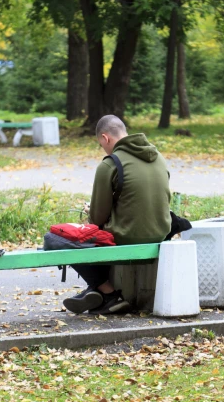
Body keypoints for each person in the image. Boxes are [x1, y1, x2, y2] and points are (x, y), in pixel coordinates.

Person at [63, 115, 172, 315]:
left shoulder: (111, 164)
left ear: (106, 138)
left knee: (58, 239)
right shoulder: (159, 158)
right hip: (161, 234)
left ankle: (108, 292)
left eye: (101, 144)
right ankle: (96, 292)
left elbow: (97, 219)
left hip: (127, 238)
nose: (103, 149)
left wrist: (90, 211)